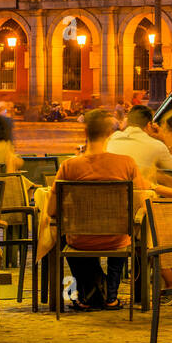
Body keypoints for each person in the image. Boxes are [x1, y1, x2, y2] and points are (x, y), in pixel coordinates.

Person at [46, 109, 147, 311]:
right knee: (123, 237)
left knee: (65, 235)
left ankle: (82, 295)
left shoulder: (69, 166)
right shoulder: (126, 163)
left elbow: (52, 210)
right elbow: (141, 203)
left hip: (81, 239)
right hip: (117, 237)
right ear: (110, 134)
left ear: (85, 134)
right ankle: (111, 297)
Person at [106, 104, 172, 181]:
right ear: (148, 125)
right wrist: (165, 141)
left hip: (116, 190)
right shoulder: (156, 145)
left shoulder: (112, 139)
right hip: (143, 190)